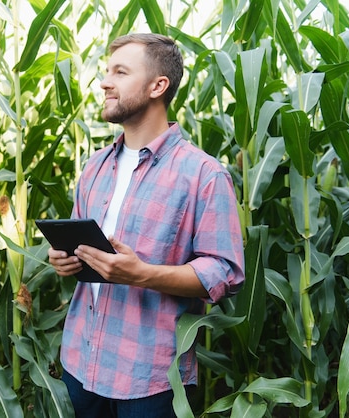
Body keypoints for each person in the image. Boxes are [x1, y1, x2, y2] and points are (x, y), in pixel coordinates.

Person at [47, 33, 245, 418]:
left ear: (158, 86)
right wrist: (64, 260)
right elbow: (75, 243)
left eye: (120, 72)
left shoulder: (203, 174)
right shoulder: (95, 167)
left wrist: (143, 274)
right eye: (107, 71)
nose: (105, 82)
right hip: (80, 361)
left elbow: (225, 273)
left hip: (150, 379)